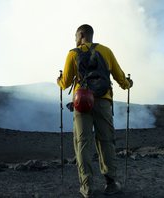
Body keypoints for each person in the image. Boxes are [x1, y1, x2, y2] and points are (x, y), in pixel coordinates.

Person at [57, 24, 133, 198]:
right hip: (103, 102)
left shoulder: (73, 54)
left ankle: (87, 187)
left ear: (82, 35)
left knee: (83, 142)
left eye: (76, 36)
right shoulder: (106, 51)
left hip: (81, 101)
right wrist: (128, 84)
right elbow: (120, 77)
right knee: (106, 140)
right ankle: (111, 183)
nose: (75, 39)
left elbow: (66, 83)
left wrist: (59, 80)